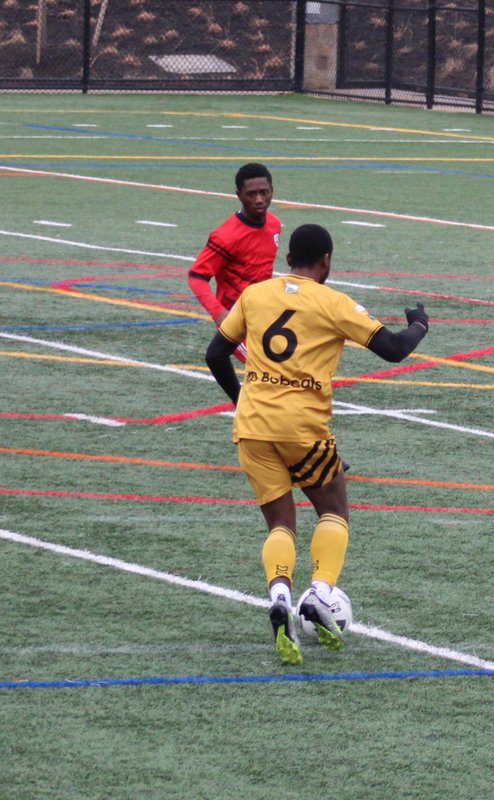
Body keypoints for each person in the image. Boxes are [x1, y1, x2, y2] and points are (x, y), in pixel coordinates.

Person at [206, 223, 430, 665]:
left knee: (280, 525)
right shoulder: (334, 303)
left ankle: (279, 595)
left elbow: (215, 354)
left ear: (287, 259)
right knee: (333, 510)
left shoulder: (255, 294)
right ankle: (320, 592)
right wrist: (419, 323)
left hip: (252, 428)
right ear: (326, 260)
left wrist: (244, 402)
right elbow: (393, 349)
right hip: (303, 428)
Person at [188, 162, 282, 361]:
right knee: (267, 365)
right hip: (236, 320)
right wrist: (219, 313)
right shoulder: (226, 236)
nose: (259, 199)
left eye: (264, 192)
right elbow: (196, 276)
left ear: (272, 191)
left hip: (264, 315)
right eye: (251, 194)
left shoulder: (274, 224)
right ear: (238, 195)